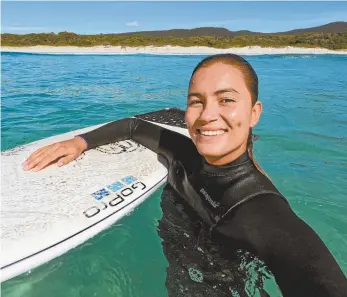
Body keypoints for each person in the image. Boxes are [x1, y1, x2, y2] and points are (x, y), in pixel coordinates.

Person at [22, 54, 346, 297]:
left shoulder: (257, 209)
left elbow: (316, 275)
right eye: (196, 101)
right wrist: (80, 141)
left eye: (227, 100)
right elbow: (134, 127)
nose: (207, 115)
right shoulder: (181, 151)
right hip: (176, 272)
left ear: (254, 113)